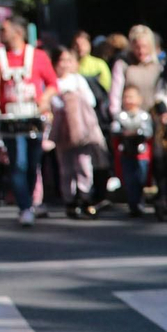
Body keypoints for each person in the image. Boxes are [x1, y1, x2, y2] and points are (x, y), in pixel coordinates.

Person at [0, 15, 57, 227]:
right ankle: (24, 207)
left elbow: (52, 83)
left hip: (32, 116)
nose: (1, 33)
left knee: (32, 164)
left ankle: (28, 201)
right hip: (10, 117)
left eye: (4, 29)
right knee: (18, 163)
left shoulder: (37, 56)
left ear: (18, 32)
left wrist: (45, 98)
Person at [50, 46, 107, 219]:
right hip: (62, 129)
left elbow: (91, 101)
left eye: (69, 60)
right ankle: (69, 199)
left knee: (83, 164)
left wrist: (75, 98)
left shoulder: (78, 80)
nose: (66, 65)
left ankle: (84, 196)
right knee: (66, 167)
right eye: (62, 61)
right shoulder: (53, 82)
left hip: (81, 129)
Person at [113, 85, 155, 217]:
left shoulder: (144, 116)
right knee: (129, 179)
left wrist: (137, 134)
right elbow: (115, 130)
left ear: (139, 99)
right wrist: (125, 134)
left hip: (141, 153)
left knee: (140, 178)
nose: (128, 100)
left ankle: (139, 201)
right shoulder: (120, 116)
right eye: (126, 97)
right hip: (126, 151)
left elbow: (148, 132)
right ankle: (133, 204)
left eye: (131, 97)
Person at [109, 24, 161, 115]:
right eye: (137, 47)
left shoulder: (157, 67)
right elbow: (115, 94)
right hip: (129, 118)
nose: (141, 51)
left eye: (144, 47)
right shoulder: (123, 65)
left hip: (151, 117)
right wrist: (116, 116)